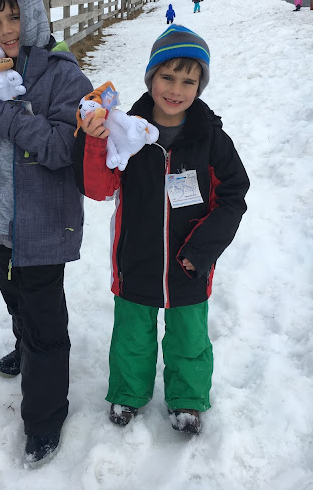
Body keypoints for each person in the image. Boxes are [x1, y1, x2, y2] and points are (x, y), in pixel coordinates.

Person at [73, 24, 249, 435]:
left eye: (189, 81)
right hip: (136, 257)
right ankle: (128, 392)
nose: (176, 90)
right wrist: (95, 142)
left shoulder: (210, 138)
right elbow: (99, 189)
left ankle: (187, 398)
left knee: (189, 336)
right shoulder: (127, 132)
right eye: (167, 77)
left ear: (200, 86)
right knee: (132, 334)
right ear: (151, 78)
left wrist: (200, 251)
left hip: (190, 263)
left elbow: (233, 196)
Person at [0, 0, 92, 466]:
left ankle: (46, 416)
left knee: (44, 321)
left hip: (44, 226)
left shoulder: (64, 75)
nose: (7, 29)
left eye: (14, 16)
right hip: (1, 222)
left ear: (32, 13)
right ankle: (25, 346)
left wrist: (1, 115)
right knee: (15, 298)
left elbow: (63, 147)